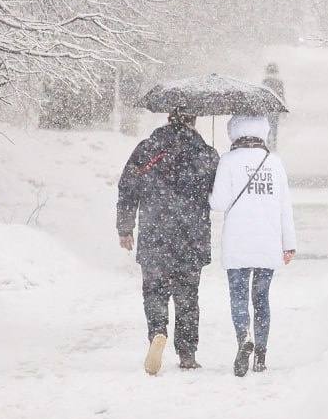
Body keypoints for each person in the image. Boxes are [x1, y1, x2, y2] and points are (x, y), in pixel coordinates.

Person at [117, 110, 219, 374]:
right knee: (187, 295)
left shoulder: (147, 149)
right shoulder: (205, 153)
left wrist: (125, 227)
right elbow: (218, 194)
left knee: (154, 291)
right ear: (194, 120)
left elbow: (128, 187)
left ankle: (158, 333)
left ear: (168, 118)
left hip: (154, 234)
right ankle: (187, 353)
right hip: (191, 235)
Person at [209, 115, 297, 376]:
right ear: (263, 133)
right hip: (267, 240)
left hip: (238, 240)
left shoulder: (227, 161)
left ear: (233, 132)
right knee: (261, 299)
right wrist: (288, 243)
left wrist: (211, 187)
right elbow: (285, 207)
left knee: (238, 296)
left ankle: (243, 338)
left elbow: (218, 204)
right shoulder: (274, 163)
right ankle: (260, 354)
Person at [262, 63, 285, 150]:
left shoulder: (265, 81)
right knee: (274, 127)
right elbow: (281, 95)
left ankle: (268, 143)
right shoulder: (279, 82)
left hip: (267, 107)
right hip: (275, 108)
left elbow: (262, 94)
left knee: (268, 126)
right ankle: (274, 144)